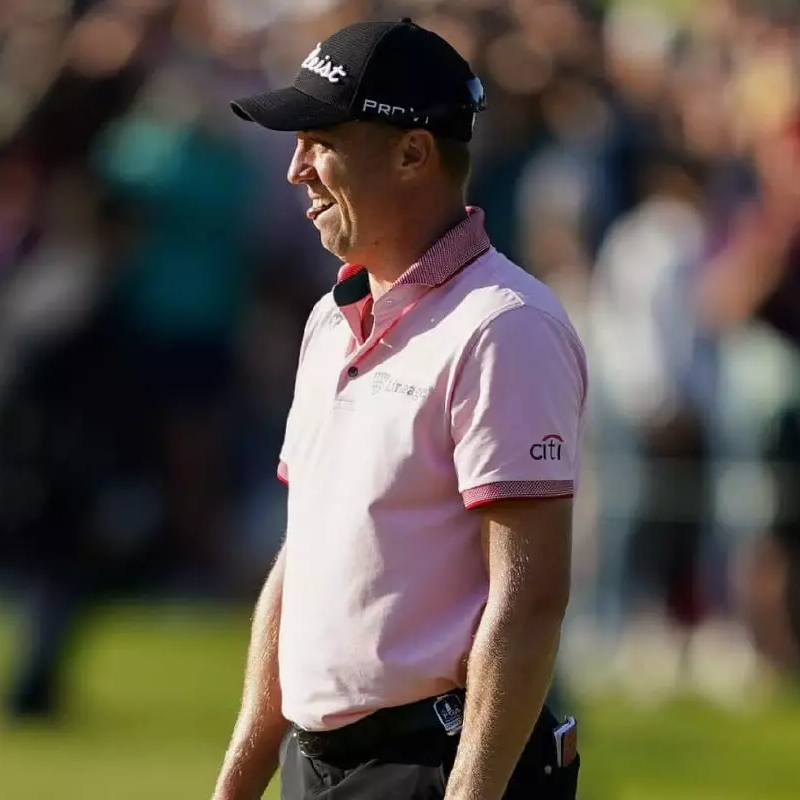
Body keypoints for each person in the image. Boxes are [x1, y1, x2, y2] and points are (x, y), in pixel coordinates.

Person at [211, 19, 587, 800]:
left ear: (414, 154)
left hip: (435, 765)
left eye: (320, 143)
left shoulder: (504, 326)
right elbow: (304, 556)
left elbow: (529, 599)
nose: (295, 170)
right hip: (319, 764)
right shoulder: (331, 319)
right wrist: (240, 779)